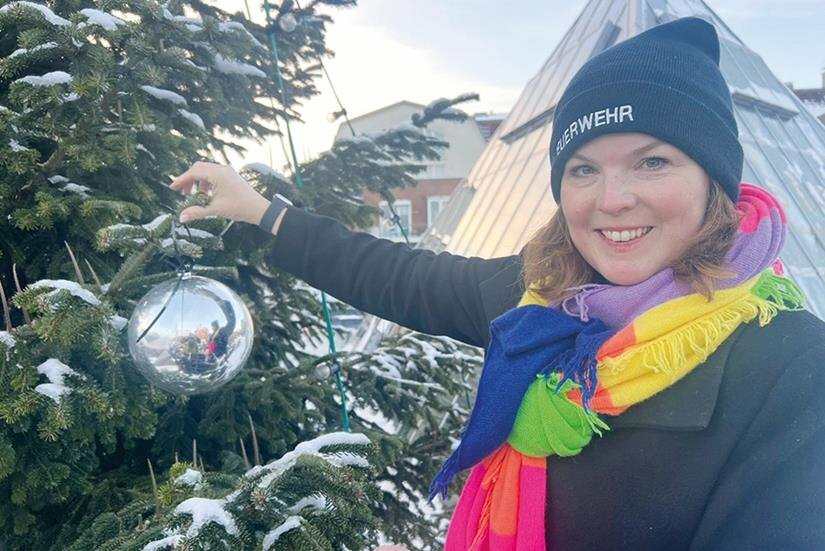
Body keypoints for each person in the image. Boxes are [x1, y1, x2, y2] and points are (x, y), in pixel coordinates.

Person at [170, 17, 825, 551]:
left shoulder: (791, 364)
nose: (612, 199)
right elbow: (395, 275)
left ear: (713, 181)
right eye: (583, 169)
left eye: (652, 161)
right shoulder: (538, 301)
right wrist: (263, 213)